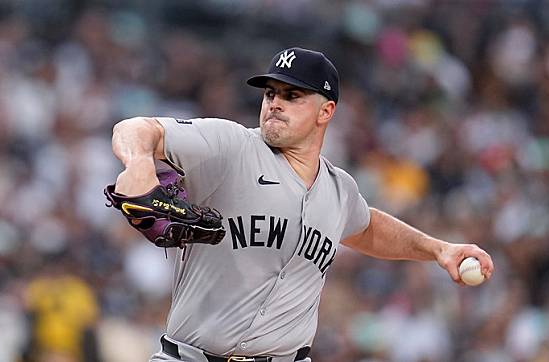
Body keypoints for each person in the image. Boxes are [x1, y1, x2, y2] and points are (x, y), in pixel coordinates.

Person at [110, 47, 494, 362]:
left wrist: (440, 249)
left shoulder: (339, 190)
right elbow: (135, 129)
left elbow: (369, 228)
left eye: (292, 95)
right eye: (270, 93)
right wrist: (140, 162)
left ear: (326, 111)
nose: (276, 103)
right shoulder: (231, 146)